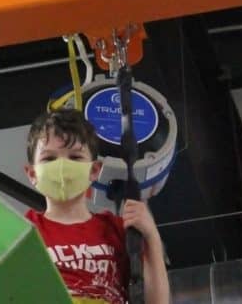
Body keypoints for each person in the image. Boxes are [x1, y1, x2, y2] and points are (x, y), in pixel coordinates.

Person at [24, 109, 170, 304]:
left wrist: (152, 236)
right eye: (49, 159)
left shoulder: (117, 229)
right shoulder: (25, 231)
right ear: (32, 174)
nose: (62, 166)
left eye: (75, 157)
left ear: (94, 170)